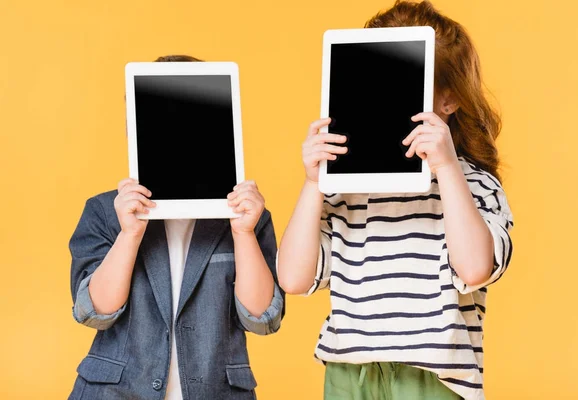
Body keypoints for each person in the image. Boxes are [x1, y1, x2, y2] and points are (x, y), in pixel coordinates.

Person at [276, 2, 513, 399]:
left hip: (434, 378)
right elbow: (294, 279)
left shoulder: (475, 184)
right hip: (349, 374)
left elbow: (474, 269)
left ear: (448, 100)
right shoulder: (344, 189)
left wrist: (449, 169)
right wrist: (312, 183)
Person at [68, 54, 284, 400]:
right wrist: (129, 234)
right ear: (132, 128)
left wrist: (243, 232)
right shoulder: (104, 211)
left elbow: (262, 318)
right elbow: (95, 313)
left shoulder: (248, 215)